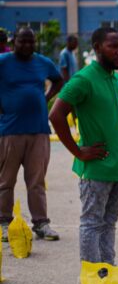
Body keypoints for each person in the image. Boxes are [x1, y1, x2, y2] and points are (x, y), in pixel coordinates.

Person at [49, 28, 118, 284]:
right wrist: (78, 151)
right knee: (91, 223)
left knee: (109, 224)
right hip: (96, 168)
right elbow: (56, 115)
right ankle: (93, 280)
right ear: (97, 47)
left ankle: (108, 275)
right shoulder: (84, 79)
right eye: (114, 46)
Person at [0, 27, 63, 242]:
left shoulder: (43, 62)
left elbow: (58, 80)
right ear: (13, 41)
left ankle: (41, 223)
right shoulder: (3, 61)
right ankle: (4, 223)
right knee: (5, 181)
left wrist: (45, 97)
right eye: (22, 41)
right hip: (10, 131)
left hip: (38, 130)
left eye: (31, 42)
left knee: (36, 181)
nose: (27, 46)